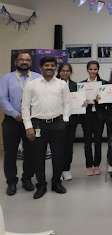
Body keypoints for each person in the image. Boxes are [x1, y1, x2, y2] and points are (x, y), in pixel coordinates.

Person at [21, 56, 70, 199]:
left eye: (52, 65)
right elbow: (25, 107)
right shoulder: (31, 84)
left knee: (58, 156)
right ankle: (41, 185)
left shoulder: (62, 84)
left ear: (56, 68)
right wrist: (28, 126)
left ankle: (56, 183)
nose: (49, 67)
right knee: (38, 156)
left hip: (58, 124)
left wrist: (65, 120)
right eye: (46, 65)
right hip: (38, 125)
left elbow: (66, 103)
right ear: (40, 68)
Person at [0, 51, 41, 196]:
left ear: (31, 62)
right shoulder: (6, 78)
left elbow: (42, 98)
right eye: (21, 60)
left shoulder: (38, 78)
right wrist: (16, 114)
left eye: (28, 60)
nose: (25, 62)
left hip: (32, 121)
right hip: (12, 121)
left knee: (31, 152)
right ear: (16, 62)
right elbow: (2, 99)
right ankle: (11, 181)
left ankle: (27, 179)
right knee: (10, 153)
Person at [57, 64, 83, 181]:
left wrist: (83, 103)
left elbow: (79, 100)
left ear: (71, 72)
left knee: (68, 146)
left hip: (71, 120)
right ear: (59, 71)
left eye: (68, 71)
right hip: (56, 119)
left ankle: (66, 169)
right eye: (63, 71)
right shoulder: (53, 84)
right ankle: (57, 170)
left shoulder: (75, 85)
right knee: (57, 146)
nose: (65, 73)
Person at [81, 61, 108, 176]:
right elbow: (77, 101)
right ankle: (88, 165)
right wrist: (83, 102)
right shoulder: (81, 84)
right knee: (87, 141)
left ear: (98, 70)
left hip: (99, 115)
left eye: (95, 69)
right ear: (87, 70)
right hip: (86, 115)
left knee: (98, 140)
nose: (93, 71)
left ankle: (96, 165)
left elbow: (108, 100)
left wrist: (101, 99)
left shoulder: (103, 84)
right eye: (91, 69)